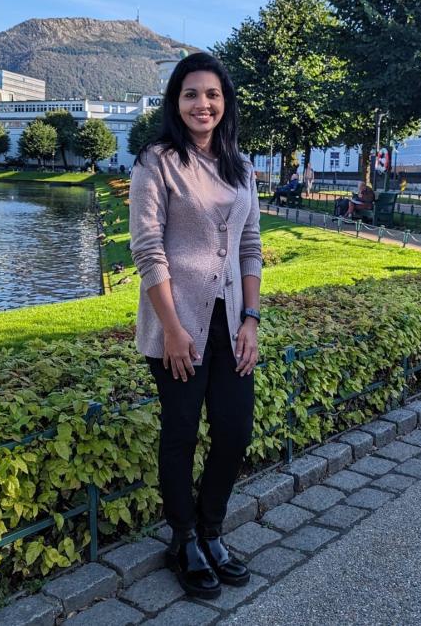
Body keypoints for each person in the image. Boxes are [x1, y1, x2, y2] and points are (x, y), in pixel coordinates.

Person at [129, 52, 262, 600]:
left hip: (231, 323)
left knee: (234, 430)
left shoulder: (241, 165)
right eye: (190, 94)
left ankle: (212, 530)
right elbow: (147, 249)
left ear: (224, 101)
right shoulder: (156, 161)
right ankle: (183, 539)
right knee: (181, 434)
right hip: (177, 326)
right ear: (175, 102)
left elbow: (251, 247)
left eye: (211, 94)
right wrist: (174, 328)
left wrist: (251, 318)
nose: (202, 104)